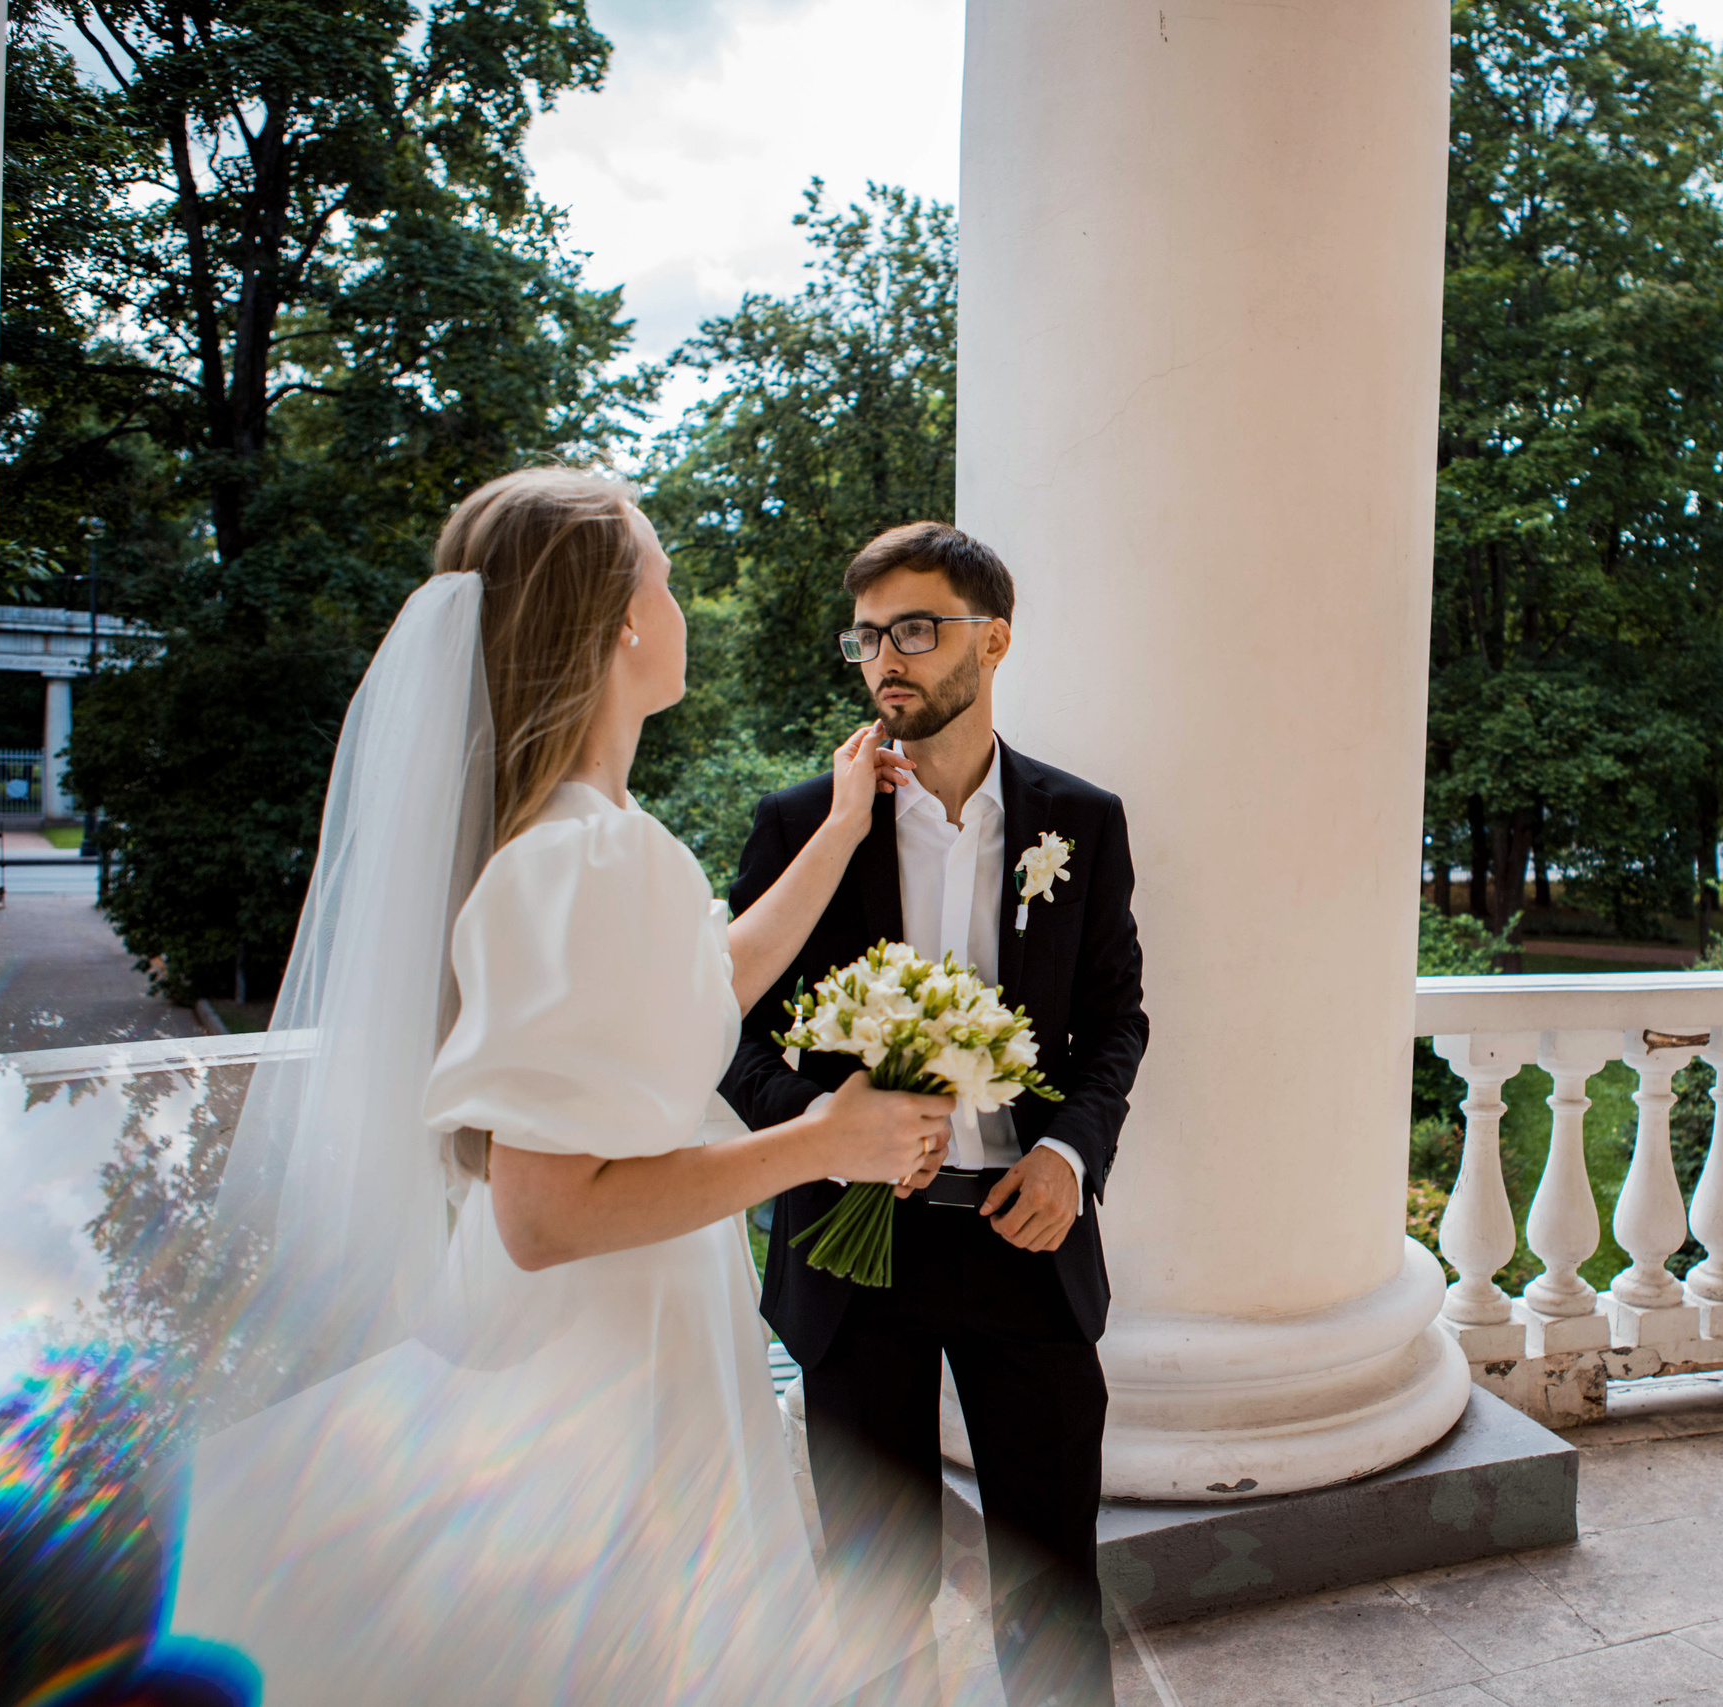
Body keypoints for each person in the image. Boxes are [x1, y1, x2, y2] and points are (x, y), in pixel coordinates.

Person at [168, 467, 955, 1704]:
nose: (681, 604)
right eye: (668, 575)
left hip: (606, 1314)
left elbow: (704, 983)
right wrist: (823, 1142)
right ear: (627, 620)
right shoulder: (592, 854)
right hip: (605, 1344)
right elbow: (547, 1216)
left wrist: (845, 824)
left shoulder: (572, 837)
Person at [721, 522, 1148, 1707]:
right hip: (852, 1253)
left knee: (1051, 1580)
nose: (883, 660)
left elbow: (1117, 1020)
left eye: (915, 629)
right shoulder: (800, 822)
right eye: (867, 637)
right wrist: (830, 1127)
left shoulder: (1082, 820)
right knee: (872, 1587)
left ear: (993, 639)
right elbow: (736, 1040)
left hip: (1027, 1238)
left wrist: (1070, 1152)